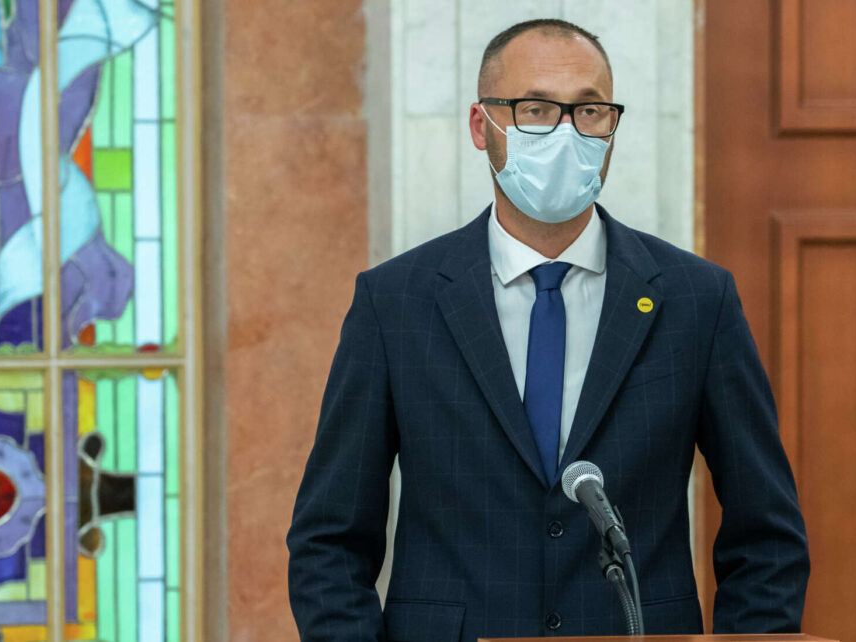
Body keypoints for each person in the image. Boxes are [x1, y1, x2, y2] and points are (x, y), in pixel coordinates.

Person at [287, 18, 808, 641]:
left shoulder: (697, 299)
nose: (565, 132)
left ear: (611, 127)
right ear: (482, 125)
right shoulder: (396, 301)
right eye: (534, 109)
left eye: (588, 110)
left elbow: (766, 533)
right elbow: (330, 539)